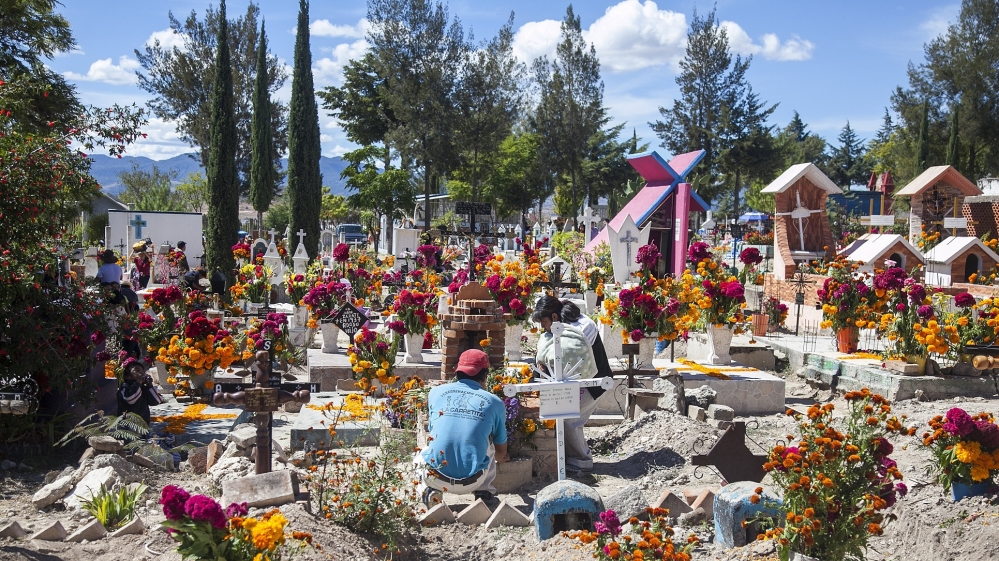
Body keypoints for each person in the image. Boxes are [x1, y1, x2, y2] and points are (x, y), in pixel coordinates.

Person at [416, 349, 509, 506]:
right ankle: (484, 493)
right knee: (488, 443)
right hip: (474, 481)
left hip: (436, 477)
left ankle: (429, 491)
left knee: (421, 454)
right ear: (485, 375)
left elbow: (433, 430)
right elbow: (501, 453)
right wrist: (503, 458)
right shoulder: (494, 402)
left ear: (456, 371)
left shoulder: (435, 393)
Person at [533, 296, 610, 473]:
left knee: (570, 419)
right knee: (563, 416)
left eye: (543, 322)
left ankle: (582, 460)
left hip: (591, 382)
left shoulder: (581, 327)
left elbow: (568, 357)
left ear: (553, 317)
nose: (543, 328)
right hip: (573, 382)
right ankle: (568, 457)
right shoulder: (559, 323)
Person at [116, 358, 163, 425]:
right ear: (127, 376)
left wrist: (150, 386)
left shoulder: (143, 387)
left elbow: (156, 401)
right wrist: (138, 383)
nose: (141, 373)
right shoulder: (125, 387)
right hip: (127, 426)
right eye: (137, 370)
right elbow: (131, 399)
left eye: (143, 371)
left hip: (143, 424)